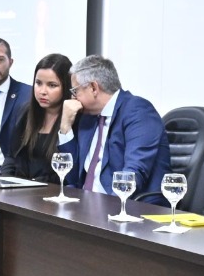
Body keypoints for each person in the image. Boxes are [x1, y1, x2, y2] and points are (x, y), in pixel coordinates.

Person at [59, 55, 168, 199]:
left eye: (75, 91)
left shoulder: (138, 111)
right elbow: (72, 177)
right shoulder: (88, 117)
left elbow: (133, 174)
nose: (73, 98)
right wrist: (65, 126)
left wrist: (106, 208)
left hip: (129, 205)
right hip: (87, 203)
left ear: (93, 88)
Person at [0, 53, 76, 181]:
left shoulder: (74, 119)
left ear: (66, 87)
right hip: (20, 189)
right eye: (38, 83)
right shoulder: (25, 112)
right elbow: (11, 157)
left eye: (52, 85)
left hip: (52, 189)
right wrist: (4, 182)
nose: (42, 91)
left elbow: (69, 171)